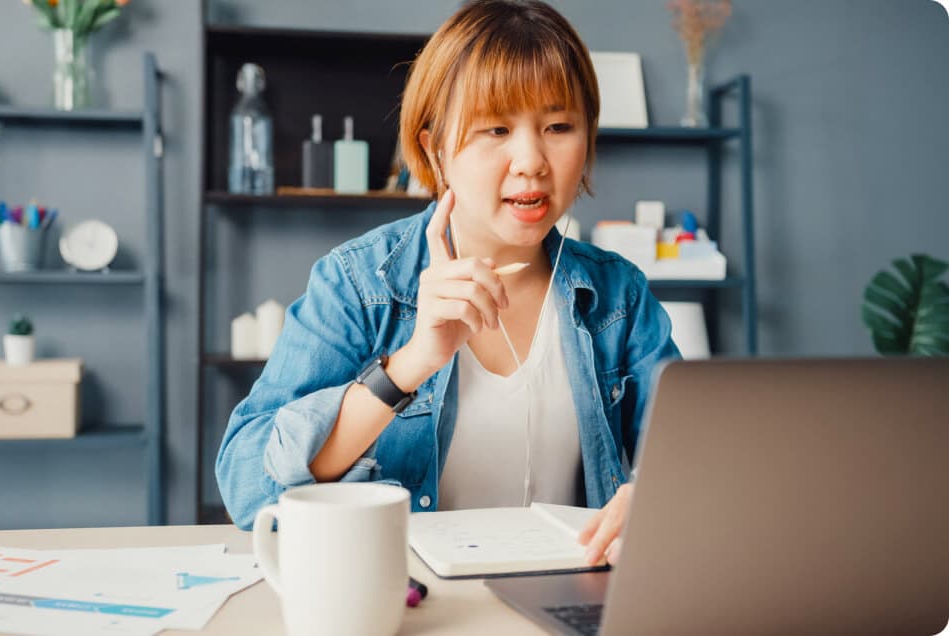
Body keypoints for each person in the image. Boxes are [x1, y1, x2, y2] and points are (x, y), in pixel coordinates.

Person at [216, 0, 679, 566]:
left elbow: (693, 460)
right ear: (435, 147)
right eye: (497, 129)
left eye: (559, 126)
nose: (531, 160)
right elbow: (245, 485)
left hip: (569, 602)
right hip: (411, 604)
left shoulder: (619, 295)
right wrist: (411, 363)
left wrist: (657, 498)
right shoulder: (360, 281)